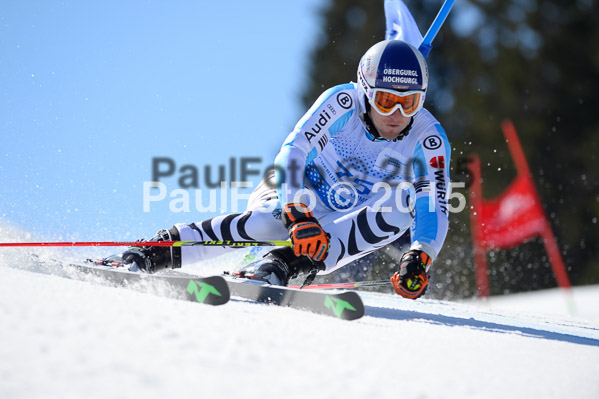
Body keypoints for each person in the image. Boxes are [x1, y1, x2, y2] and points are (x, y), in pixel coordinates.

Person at [103, 36, 451, 300]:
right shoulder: (341, 102)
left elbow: (432, 201)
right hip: (293, 187)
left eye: (410, 103)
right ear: (365, 91)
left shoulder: (428, 137)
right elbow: (295, 149)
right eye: (386, 101)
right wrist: (296, 210)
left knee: (405, 205)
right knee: (267, 224)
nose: (397, 115)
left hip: (343, 214)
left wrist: (421, 254)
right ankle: (153, 252)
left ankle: (282, 265)